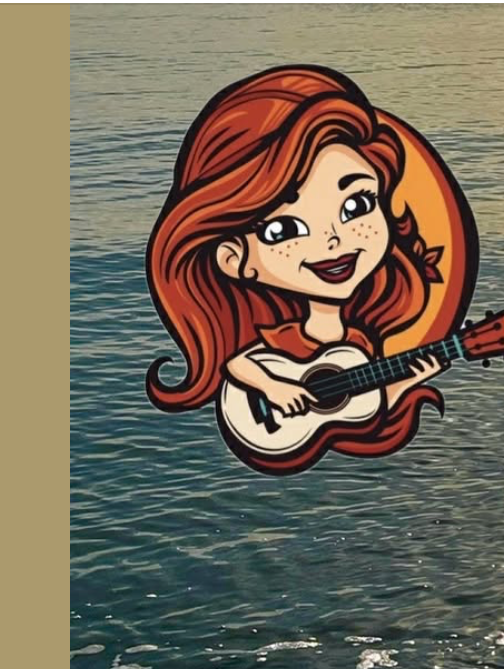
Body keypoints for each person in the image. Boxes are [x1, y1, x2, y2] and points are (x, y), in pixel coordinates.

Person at [145, 65, 459, 463]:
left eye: (357, 205)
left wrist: (407, 383)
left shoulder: (359, 346)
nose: (332, 240)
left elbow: (364, 407)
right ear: (234, 260)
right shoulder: (282, 340)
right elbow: (238, 364)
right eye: (284, 229)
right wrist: (274, 388)